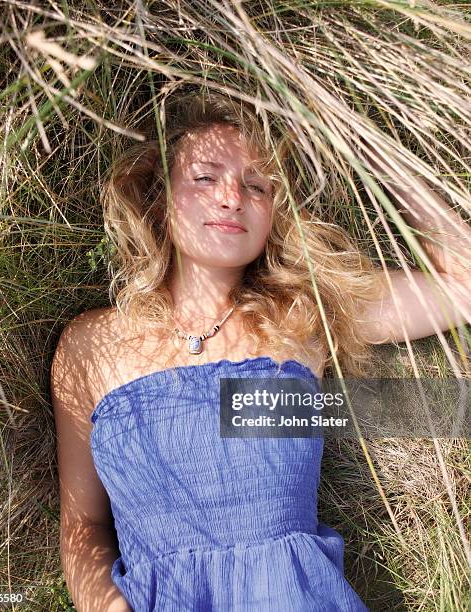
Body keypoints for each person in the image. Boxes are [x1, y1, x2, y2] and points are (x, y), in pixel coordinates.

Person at [50, 90, 471, 612]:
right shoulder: (93, 345)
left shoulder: (302, 320)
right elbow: (83, 523)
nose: (232, 197)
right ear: (161, 198)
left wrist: (378, 155)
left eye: (257, 186)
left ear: (274, 215)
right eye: (206, 177)